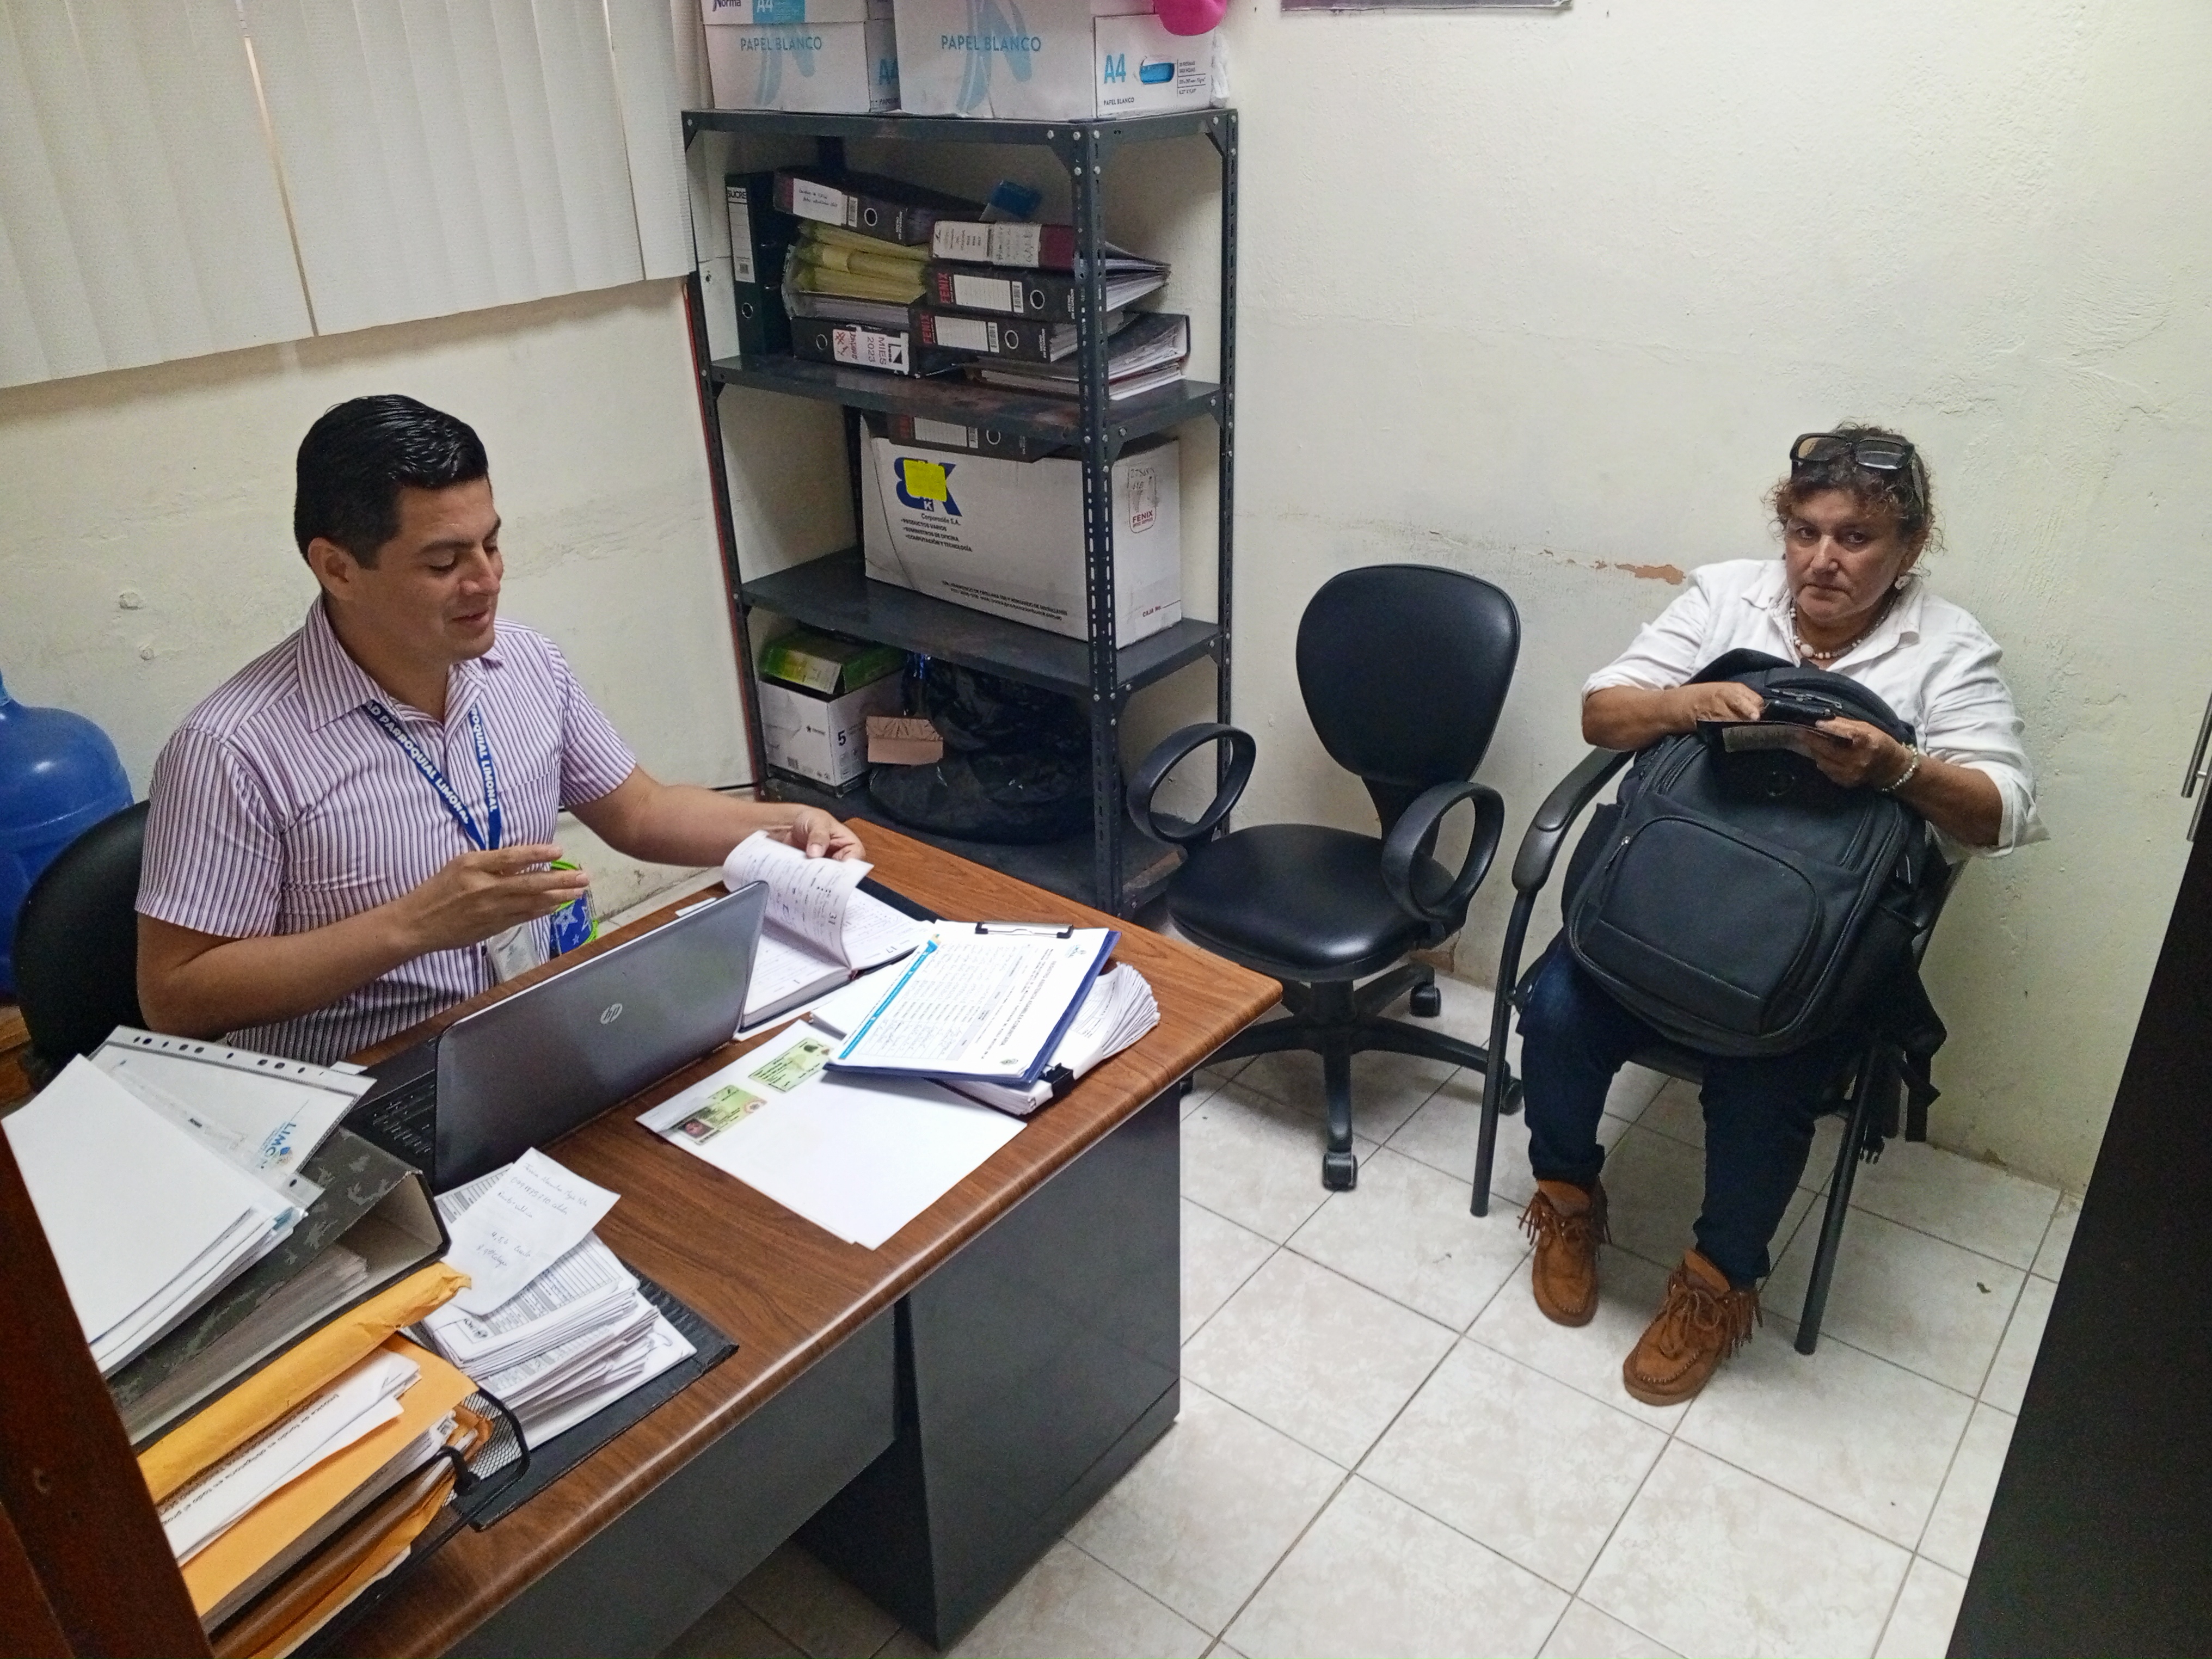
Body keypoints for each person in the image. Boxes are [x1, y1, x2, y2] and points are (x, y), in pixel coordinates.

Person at [1517, 425, 2044, 1406]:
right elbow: (1604, 712)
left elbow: (2003, 812)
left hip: (1806, 949)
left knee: (1773, 1077)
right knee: (1556, 1009)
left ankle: (1717, 1281)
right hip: (1666, 904)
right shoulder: (1727, 595)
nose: (1822, 560)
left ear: (1910, 547)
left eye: (1856, 539)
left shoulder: (1947, 649)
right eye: (1805, 533)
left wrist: (1898, 768)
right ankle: (1568, 1196)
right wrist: (1690, 704)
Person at [137, 395, 862, 1067]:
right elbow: (175, 996)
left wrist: (785, 826)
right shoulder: (232, 749)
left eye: (491, 544)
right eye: (444, 562)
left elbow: (639, 811)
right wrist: (412, 926)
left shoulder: (524, 662)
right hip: (367, 1083)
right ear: (338, 569)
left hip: (535, 1028)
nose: (486, 581)